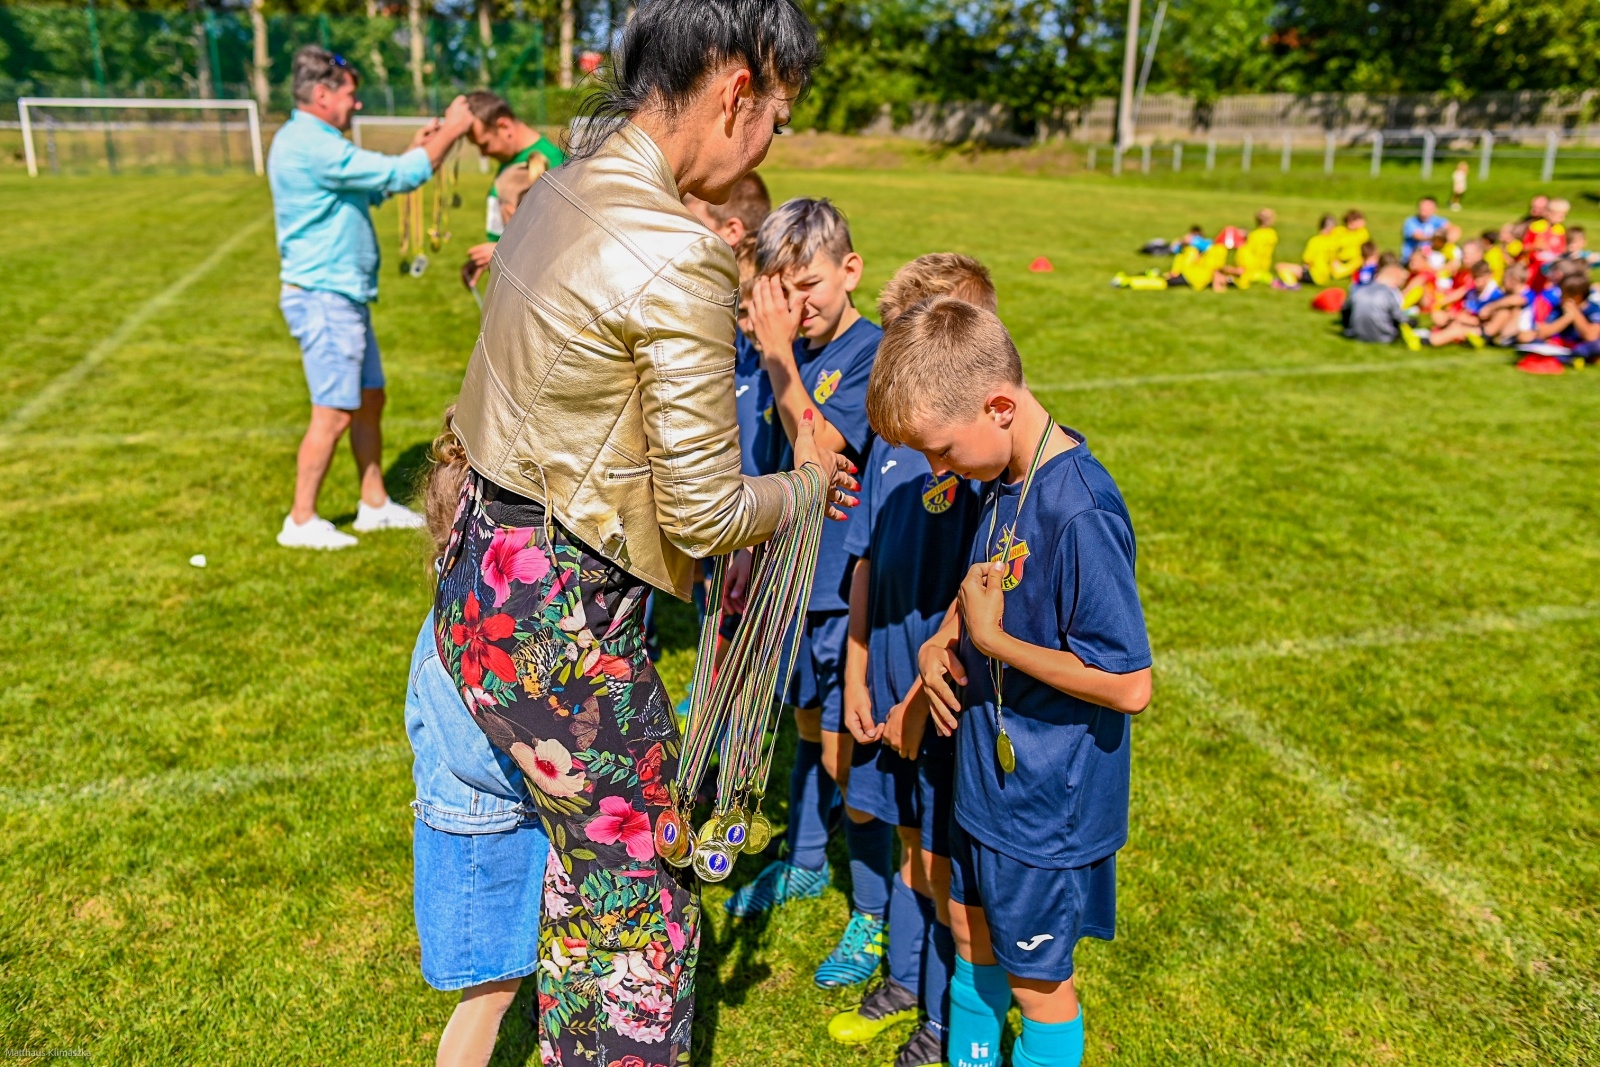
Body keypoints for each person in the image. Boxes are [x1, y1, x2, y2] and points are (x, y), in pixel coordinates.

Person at [431, 4, 849, 1064]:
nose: (767, 146)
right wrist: (805, 482)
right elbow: (707, 511)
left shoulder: (558, 186)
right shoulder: (673, 250)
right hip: (560, 626)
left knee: (589, 880)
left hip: (481, 578)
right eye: (776, 121)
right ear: (736, 94)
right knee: (636, 912)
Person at [875, 298, 1152, 1067]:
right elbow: (979, 588)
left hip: (1046, 804)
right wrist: (941, 642)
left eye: (941, 449)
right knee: (971, 936)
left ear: (998, 406)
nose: (938, 471)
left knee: (1038, 985)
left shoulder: (1079, 509)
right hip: (985, 780)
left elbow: (1129, 682)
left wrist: (995, 640)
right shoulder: (1003, 477)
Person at [831, 254, 996, 1067]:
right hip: (885, 686)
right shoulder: (897, 448)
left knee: (940, 863)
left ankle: (942, 1013)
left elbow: (978, 598)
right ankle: (903, 975)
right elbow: (865, 561)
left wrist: (915, 702)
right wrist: (858, 671)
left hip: (937, 702)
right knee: (907, 843)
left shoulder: (973, 460)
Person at [726, 198, 892, 992]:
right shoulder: (781, 353)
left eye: (810, 285)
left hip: (842, 589)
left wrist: (780, 362)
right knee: (801, 723)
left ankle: (876, 908)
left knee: (845, 755)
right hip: (786, 580)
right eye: (781, 291)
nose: (797, 305)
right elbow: (765, 465)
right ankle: (805, 857)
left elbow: (822, 448)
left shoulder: (870, 355)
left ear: (850, 270)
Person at [269, 46, 473, 550]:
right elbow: (399, 177)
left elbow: (375, 187)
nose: (356, 104)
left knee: (368, 398)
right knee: (334, 411)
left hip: (342, 296)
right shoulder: (310, 144)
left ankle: (374, 503)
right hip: (325, 297)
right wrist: (451, 130)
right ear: (322, 95)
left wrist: (419, 148)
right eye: (350, 95)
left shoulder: (316, 141)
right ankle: (300, 520)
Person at [409, 408, 552, 1067]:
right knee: (489, 994)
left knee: (518, 969)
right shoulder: (458, 646)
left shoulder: (462, 612)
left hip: (497, 826)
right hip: (483, 834)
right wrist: (544, 774)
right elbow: (476, 753)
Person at [459, 91, 567, 291]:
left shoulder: (554, 163)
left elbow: (562, 240)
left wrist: (501, 250)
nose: (483, 153)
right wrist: (487, 257)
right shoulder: (509, 160)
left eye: (484, 144)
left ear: (504, 126)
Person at [1342, 258, 1412, 346]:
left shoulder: (1359, 289)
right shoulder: (1390, 292)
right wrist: (1410, 321)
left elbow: (1345, 310)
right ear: (1394, 276)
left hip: (1355, 334)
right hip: (1384, 337)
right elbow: (1398, 316)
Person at [1428, 261, 1499, 348]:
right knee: (1438, 316)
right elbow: (1465, 303)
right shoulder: (1473, 290)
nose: (1477, 282)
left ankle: (1426, 340)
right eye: (1475, 278)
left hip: (1478, 329)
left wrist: (1461, 318)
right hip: (1463, 321)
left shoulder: (1495, 295)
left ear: (1489, 276)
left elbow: (1486, 323)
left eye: (1480, 278)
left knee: (1454, 330)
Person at [1274, 213, 1339, 289]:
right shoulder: (1334, 242)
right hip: (1325, 277)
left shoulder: (1315, 241)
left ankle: (1291, 284)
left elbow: (1307, 261)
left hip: (1314, 275)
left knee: (1280, 266)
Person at [1401, 196, 1448, 263]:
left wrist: (1446, 239)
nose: (1424, 211)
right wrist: (1434, 238)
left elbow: (1454, 230)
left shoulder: (1437, 221)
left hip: (1432, 259)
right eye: (1422, 208)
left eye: (1427, 209)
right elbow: (1417, 235)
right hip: (1411, 259)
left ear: (1434, 210)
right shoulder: (1411, 221)